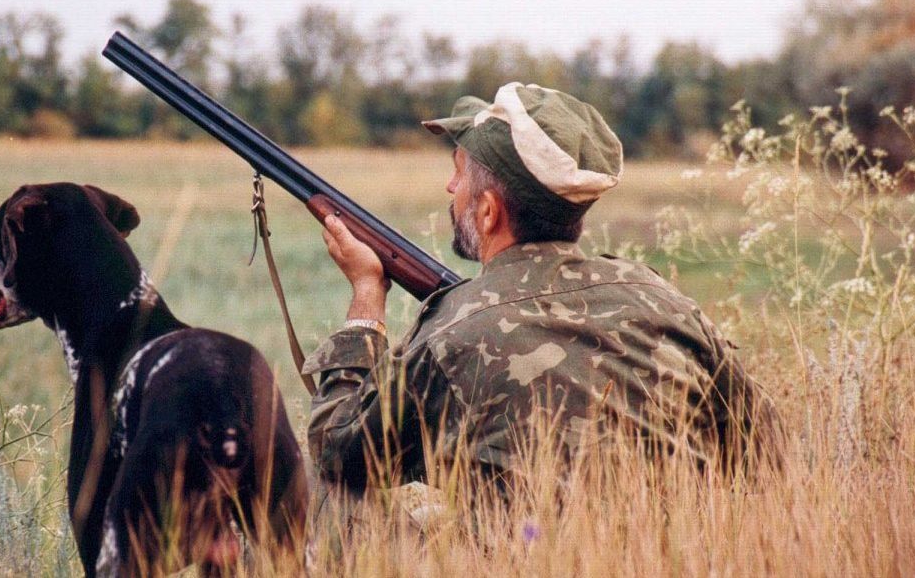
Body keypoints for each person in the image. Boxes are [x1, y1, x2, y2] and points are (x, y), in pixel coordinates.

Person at [304, 82, 779, 500]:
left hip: (515, 556)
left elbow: (336, 451)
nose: (451, 187)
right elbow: (768, 453)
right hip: (676, 556)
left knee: (337, 500)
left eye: (459, 172)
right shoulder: (667, 303)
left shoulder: (451, 335)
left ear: (489, 212)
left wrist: (367, 295)